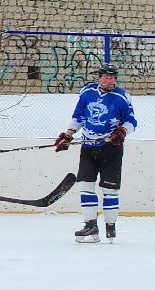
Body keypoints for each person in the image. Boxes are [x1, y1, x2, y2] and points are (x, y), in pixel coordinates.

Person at [55, 64, 137, 243]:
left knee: (110, 190)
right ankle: (90, 225)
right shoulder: (87, 92)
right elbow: (78, 117)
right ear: (99, 78)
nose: (110, 80)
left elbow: (131, 121)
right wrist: (68, 135)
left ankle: (110, 227)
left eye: (112, 77)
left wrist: (121, 132)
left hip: (111, 148)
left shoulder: (122, 97)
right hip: (88, 146)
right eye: (106, 77)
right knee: (85, 186)